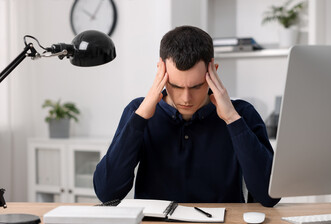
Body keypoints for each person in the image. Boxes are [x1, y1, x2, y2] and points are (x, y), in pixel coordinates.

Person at [93, 26, 280, 207]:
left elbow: (268, 196)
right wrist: (141, 118)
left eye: (196, 86)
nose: (186, 98)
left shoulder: (242, 114)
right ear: (161, 70)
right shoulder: (138, 110)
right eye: (176, 86)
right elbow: (107, 193)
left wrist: (232, 119)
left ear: (213, 70)